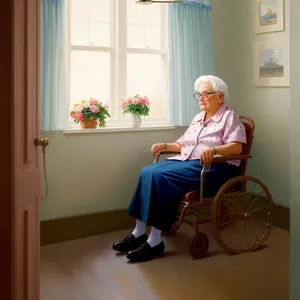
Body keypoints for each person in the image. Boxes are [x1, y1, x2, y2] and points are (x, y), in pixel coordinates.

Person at [112, 75, 247, 262]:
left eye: (206, 94)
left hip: (215, 168)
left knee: (161, 176)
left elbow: (237, 147)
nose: (201, 98)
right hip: (189, 162)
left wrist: (215, 150)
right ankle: (139, 232)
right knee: (147, 171)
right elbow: (183, 144)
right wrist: (165, 145)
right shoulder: (199, 117)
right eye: (199, 95)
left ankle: (154, 241)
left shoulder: (229, 117)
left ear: (220, 97)